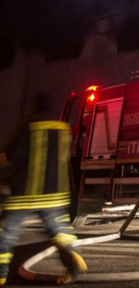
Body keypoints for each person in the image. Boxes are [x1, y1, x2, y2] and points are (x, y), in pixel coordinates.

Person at [0, 93, 87, 285]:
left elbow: (13, 156)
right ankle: (72, 256)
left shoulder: (30, 126)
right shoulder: (64, 129)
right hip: (56, 194)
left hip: (27, 192)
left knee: (6, 230)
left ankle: (1, 274)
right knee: (58, 230)